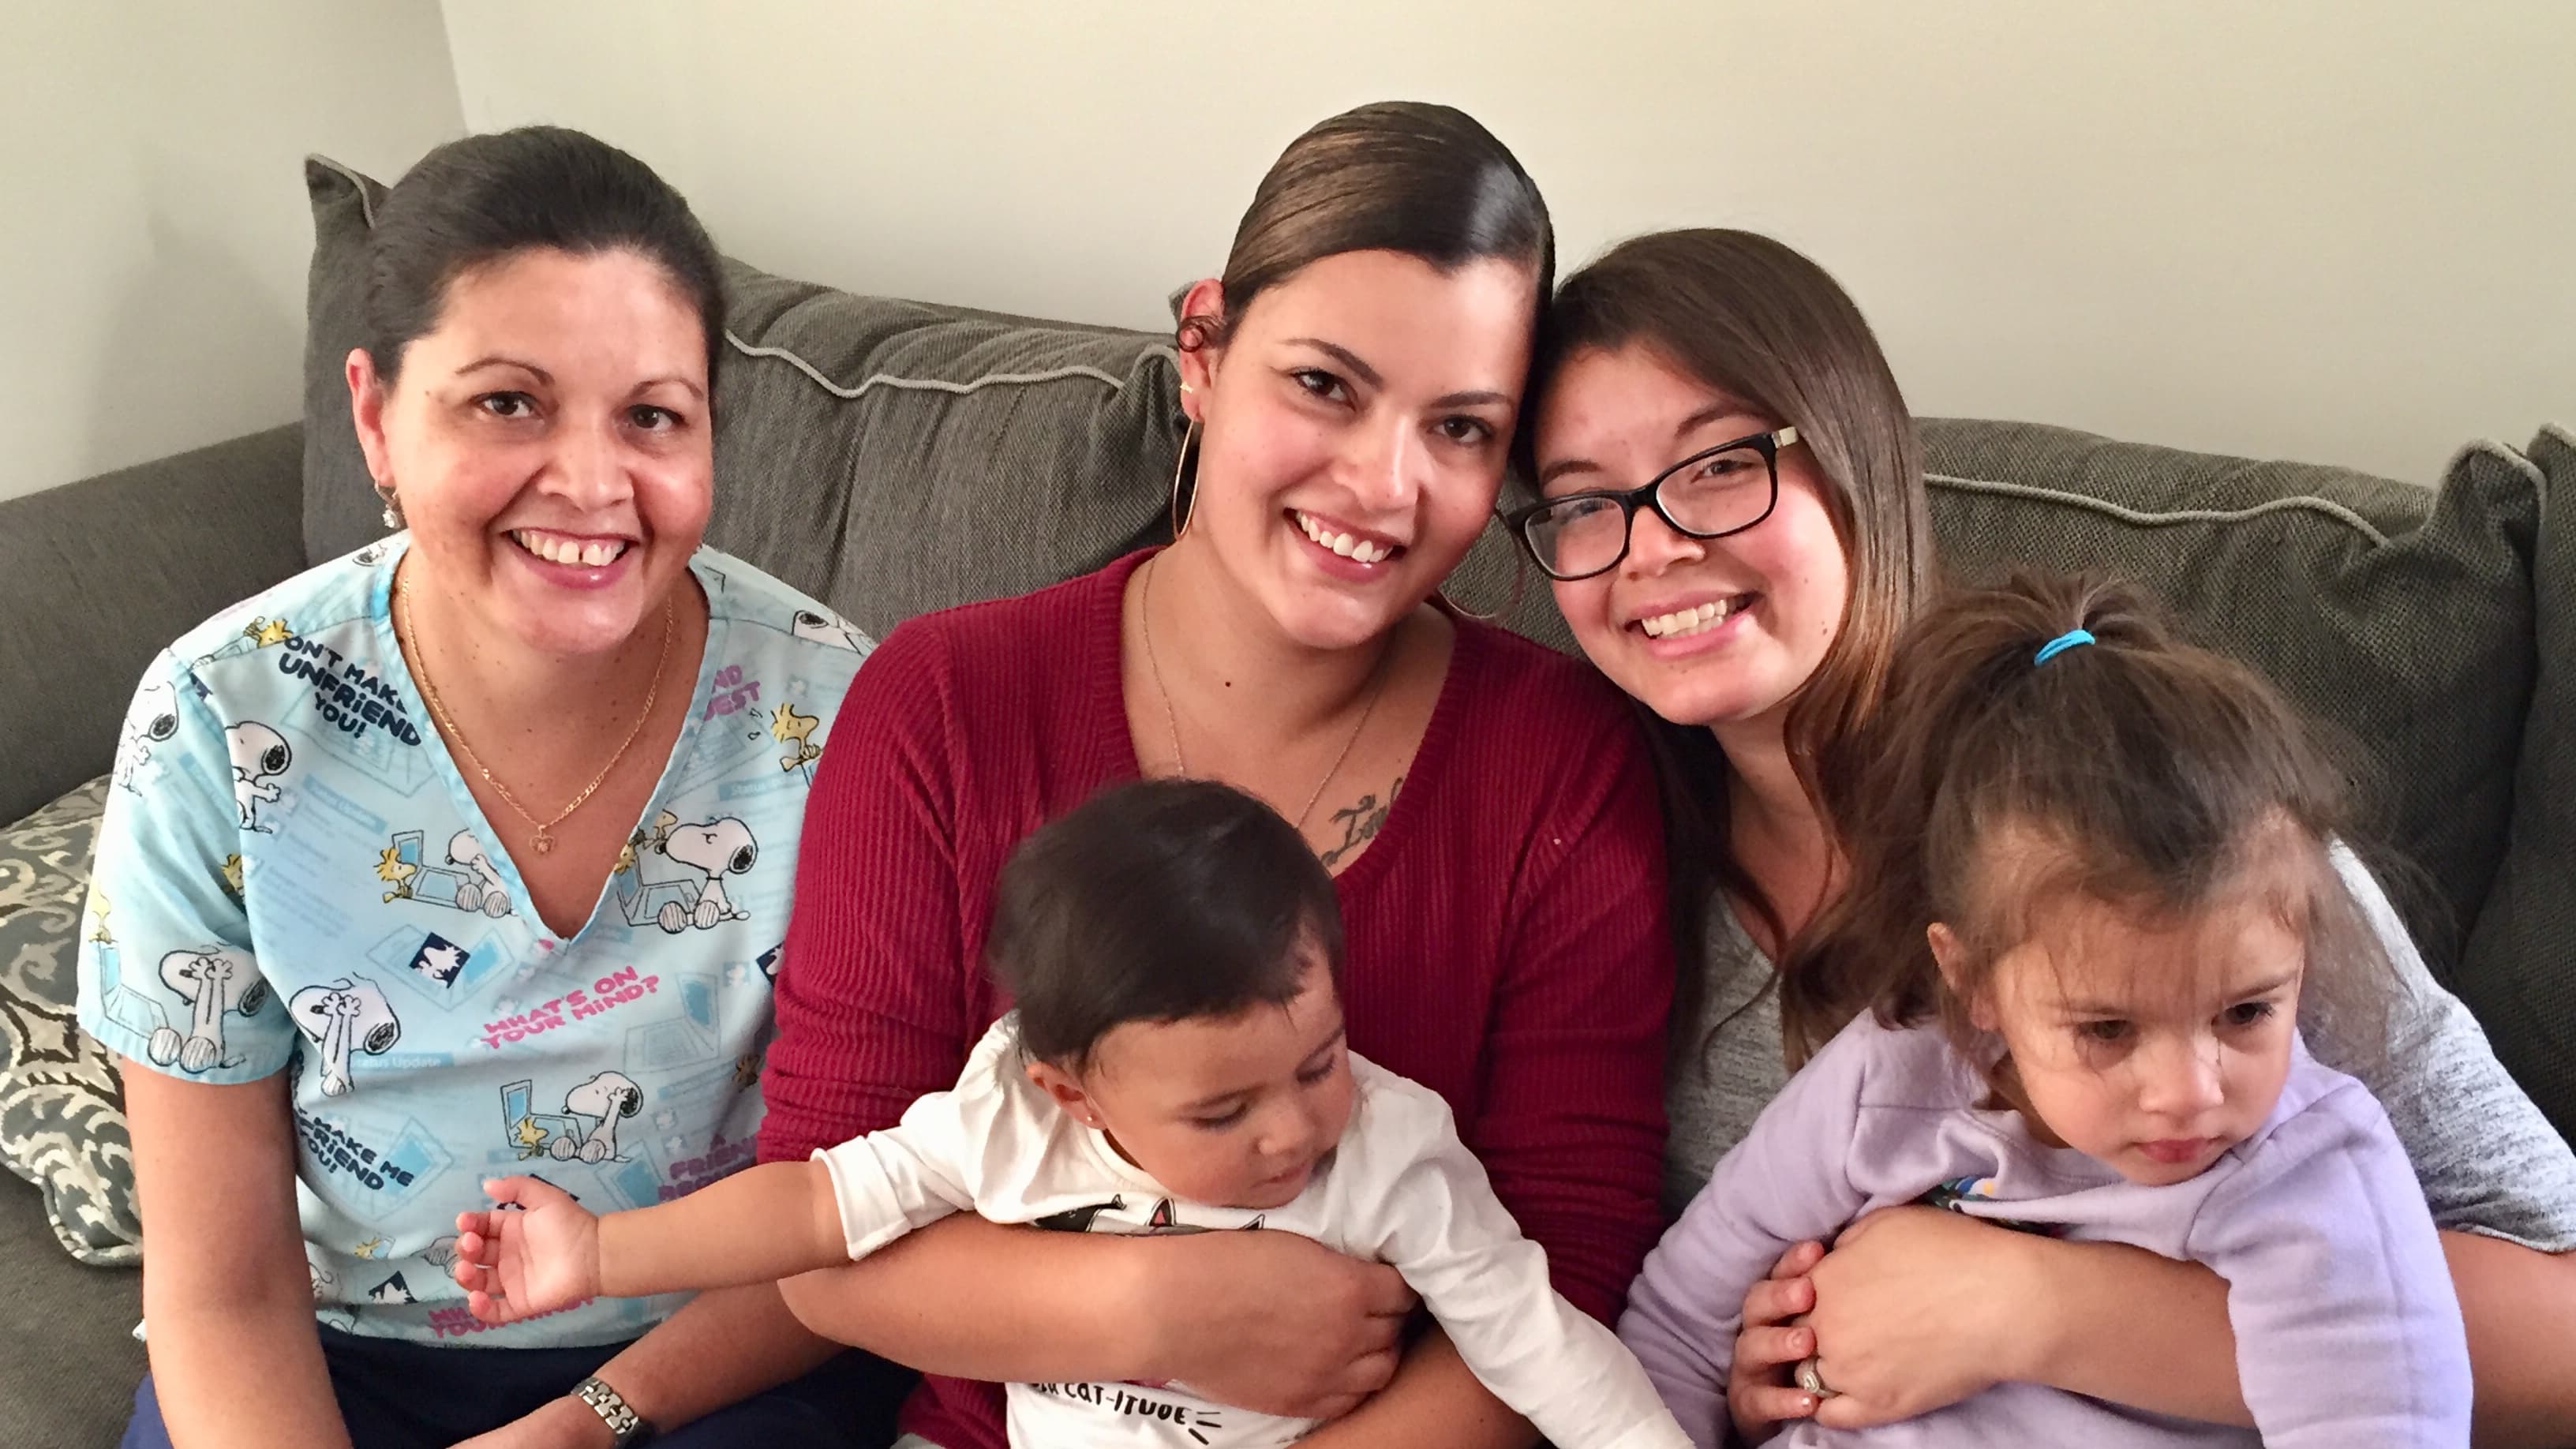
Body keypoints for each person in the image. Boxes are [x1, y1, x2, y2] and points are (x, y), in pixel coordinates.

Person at [1511, 227, 2576, 1444]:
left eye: (1717, 467)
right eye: (1587, 502)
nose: (1652, 546)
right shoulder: (1592, 871)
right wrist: (1762, 1381)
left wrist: (2038, 1310)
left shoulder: (2174, 832)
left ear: (1856, 457)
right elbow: (1662, 1311)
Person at [758, 101, 1676, 1449]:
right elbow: (821, 1234)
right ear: (1201, 348)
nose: (1382, 484)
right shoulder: (941, 703)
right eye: (1324, 386)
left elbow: (1567, 1271)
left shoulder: (1560, 767)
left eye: (1461, 429)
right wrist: (1150, 1309)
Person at [79, 126, 889, 1449]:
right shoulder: (220, 719)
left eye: (651, 416)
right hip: (345, 1359)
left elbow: (862, 1204)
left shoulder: (836, 714)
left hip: (719, 1355)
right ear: (375, 416)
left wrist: (588, 1419)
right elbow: (221, 1284)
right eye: (507, 401)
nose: (590, 482)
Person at [453, 780, 1691, 1449]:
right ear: (1071, 1087)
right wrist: (607, 1252)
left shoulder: (1395, 1149)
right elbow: (824, 1204)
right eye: (1222, 1111)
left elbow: (1535, 1342)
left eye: (1319, 1062)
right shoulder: (1012, 1118)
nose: (1293, 1134)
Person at [1620, 573, 2470, 1447]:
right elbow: (1676, 1326)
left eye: (2245, 1013)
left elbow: (2388, 1423)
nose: (2186, 1092)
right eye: (2108, 1029)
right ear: (1973, 980)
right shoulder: (1886, 1082)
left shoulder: (2313, 1172)